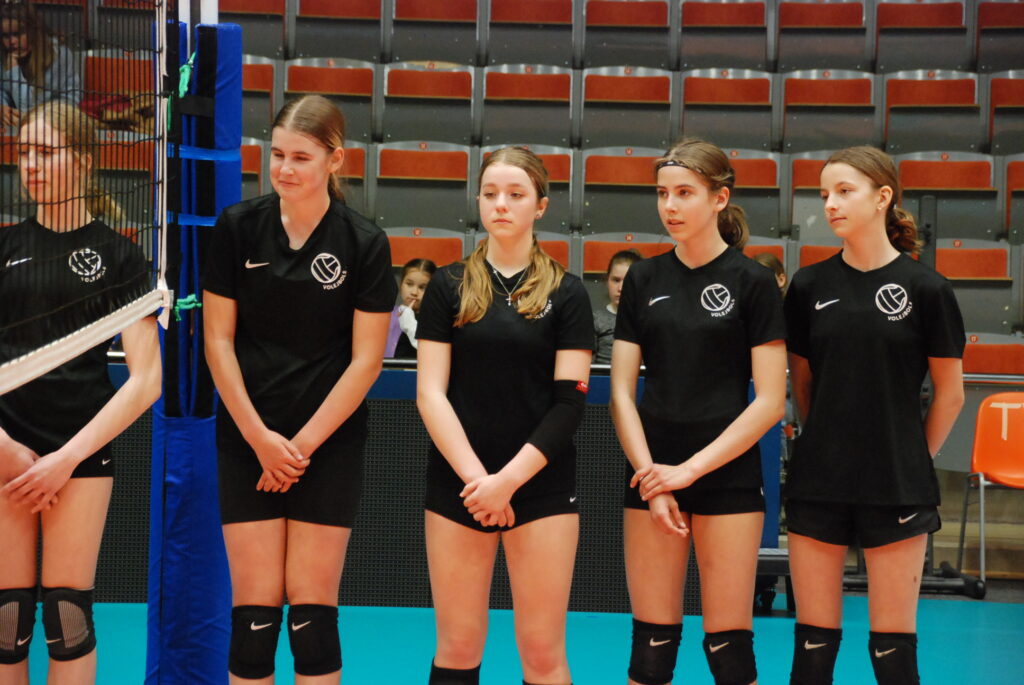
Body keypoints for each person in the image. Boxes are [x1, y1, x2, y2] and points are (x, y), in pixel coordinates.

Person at [202, 94, 396, 684]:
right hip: (248, 440)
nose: (284, 169)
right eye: (277, 154)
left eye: (301, 157)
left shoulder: (364, 242)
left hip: (326, 446)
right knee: (254, 620)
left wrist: (299, 448)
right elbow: (217, 342)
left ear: (336, 160)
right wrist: (260, 439)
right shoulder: (238, 228)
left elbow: (366, 362)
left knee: (313, 619)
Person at [783, 146, 965, 685]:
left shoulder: (927, 289)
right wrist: (828, 440)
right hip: (820, 481)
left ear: (883, 197)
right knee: (812, 650)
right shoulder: (809, 286)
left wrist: (911, 457)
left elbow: (951, 394)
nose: (830, 205)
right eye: (824, 194)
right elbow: (802, 384)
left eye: (844, 191)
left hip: (898, 486)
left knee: (893, 653)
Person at [610, 138, 787, 685]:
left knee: (729, 649)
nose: (670, 206)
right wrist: (654, 478)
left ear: (719, 198)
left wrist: (689, 471)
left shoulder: (753, 282)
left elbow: (770, 401)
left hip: (727, 477)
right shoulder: (643, 278)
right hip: (651, 476)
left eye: (685, 193)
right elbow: (621, 393)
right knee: (651, 650)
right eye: (663, 193)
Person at [416, 146, 593, 685]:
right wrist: (480, 483)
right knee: (458, 645)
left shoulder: (568, 293)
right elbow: (430, 394)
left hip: (541, 487)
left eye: (516, 194)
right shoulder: (447, 287)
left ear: (541, 205)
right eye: (490, 193)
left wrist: (508, 483)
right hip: (460, 486)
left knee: (542, 652)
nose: (501, 204)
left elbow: (569, 403)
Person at [0, 101, 160, 683]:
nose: (31, 165)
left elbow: (147, 380)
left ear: (86, 161)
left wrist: (65, 459)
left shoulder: (121, 257)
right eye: (24, 152)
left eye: (47, 152)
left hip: (80, 454)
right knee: (6, 619)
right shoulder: (5, 249)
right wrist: (5, 449)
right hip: (4, 452)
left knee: (68, 616)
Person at [1, 3, 81, 129]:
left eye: (18, 34)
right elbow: (2, 90)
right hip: (15, 125)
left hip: (55, 121)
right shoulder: (5, 54)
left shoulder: (57, 55)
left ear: (33, 31)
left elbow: (29, 108)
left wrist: (14, 71)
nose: (12, 41)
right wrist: (2, 107)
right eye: (5, 35)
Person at [593, 249, 642, 365]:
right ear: (607, 281)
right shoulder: (594, 320)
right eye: (616, 280)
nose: (621, 288)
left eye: (628, 281)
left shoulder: (649, 320)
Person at [386, 258, 436, 359]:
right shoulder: (386, 315)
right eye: (409, 284)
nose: (414, 292)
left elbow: (433, 353)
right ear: (401, 284)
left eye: (422, 287)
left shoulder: (435, 320)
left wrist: (411, 326)